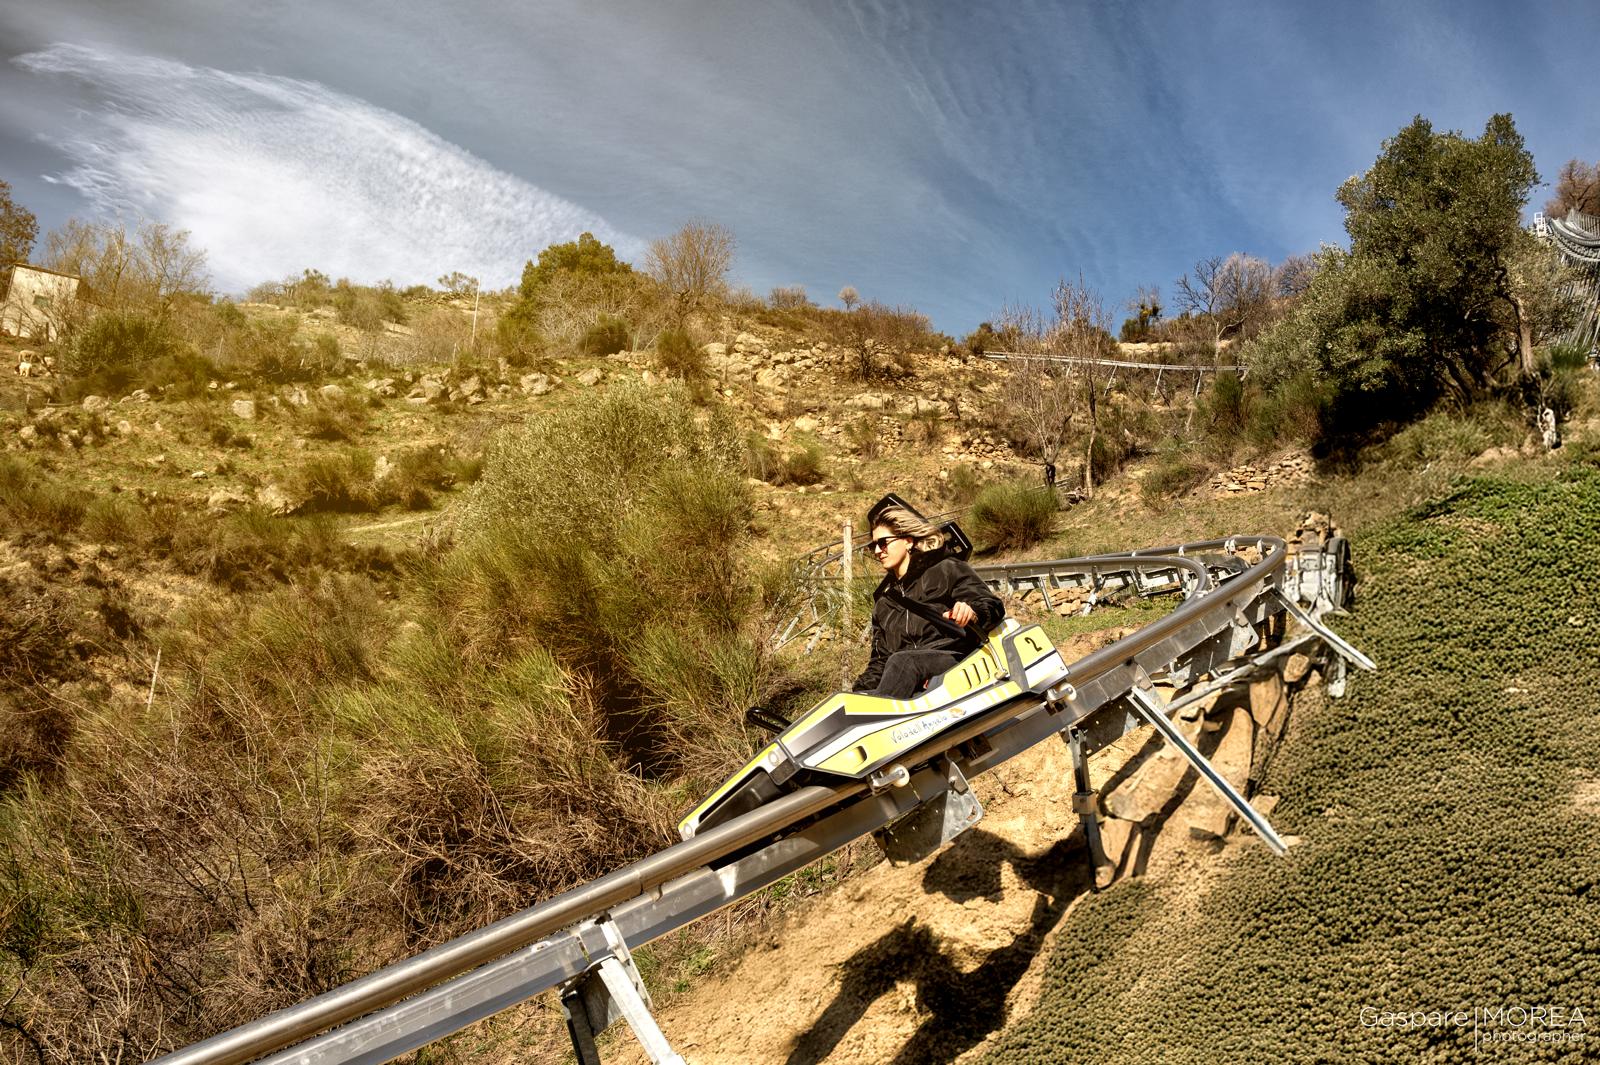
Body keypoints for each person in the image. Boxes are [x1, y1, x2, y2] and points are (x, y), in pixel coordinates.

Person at [852, 505, 1005, 698]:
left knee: (904, 662)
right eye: (872, 546)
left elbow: (990, 604)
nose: (876, 551)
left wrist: (971, 611)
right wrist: (857, 694)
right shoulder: (883, 604)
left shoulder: (946, 569)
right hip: (909, 679)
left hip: (954, 660)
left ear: (907, 541)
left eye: (883, 543)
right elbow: (880, 660)